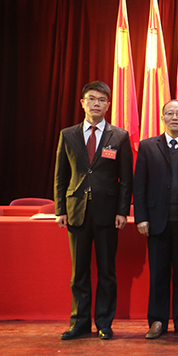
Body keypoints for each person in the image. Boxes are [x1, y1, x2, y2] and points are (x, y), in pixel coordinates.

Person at [54, 80, 133, 340]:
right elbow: (60, 176)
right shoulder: (68, 134)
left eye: (101, 100)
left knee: (107, 272)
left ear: (108, 105)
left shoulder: (119, 136)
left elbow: (126, 179)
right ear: (82, 103)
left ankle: (104, 323)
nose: (96, 103)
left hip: (108, 213)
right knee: (79, 272)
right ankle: (79, 322)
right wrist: (60, 209)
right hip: (76, 211)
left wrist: (122, 211)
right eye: (91, 99)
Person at [133, 100, 178, 339]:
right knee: (159, 274)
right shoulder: (147, 146)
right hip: (156, 222)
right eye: (170, 113)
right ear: (162, 117)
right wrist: (141, 218)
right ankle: (157, 321)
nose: (175, 117)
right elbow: (139, 185)